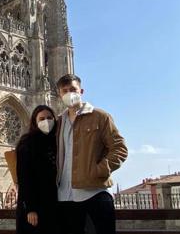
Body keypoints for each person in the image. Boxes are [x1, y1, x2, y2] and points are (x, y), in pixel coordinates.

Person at [55, 74, 128, 234]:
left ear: (81, 91)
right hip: (65, 196)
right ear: (59, 94)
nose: (69, 94)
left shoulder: (100, 116)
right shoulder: (59, 122)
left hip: (94, 193)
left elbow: (120, 149)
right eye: (64, 91)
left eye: (73, 89)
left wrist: (98, 170)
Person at [16, 105, 58, 234]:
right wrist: (30, 208)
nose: (46, 121)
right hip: (35, 205)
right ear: (35, 122)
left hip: (55, 202)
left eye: (49, 118)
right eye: (41, 119)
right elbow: (24, 177)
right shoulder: (27, 143)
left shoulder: (57, 140)